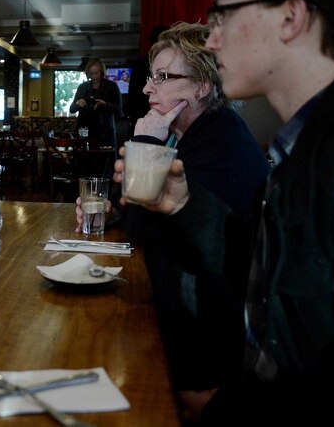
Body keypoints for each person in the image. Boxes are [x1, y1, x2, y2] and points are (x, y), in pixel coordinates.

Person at [114, 0, 334, 423]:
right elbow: (261, 284)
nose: (212, 40)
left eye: (224, 14)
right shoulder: (302, 147)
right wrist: (183, 204)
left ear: (290, 17)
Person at [109, 22, 271, 392]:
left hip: (211, 341)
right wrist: (110, 208)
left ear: (202, 86)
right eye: (152, 77)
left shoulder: (219, 143)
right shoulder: (193, 132)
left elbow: (141, 227)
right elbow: (136, 209)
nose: (149, 87)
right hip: (190, 308)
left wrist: (145, 141)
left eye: (163, 77)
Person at [69, 57, 123, 146]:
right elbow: (72, 109)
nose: (93, 76)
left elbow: (119, 111)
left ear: (101, 72)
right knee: (83, 158)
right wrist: (78, 103)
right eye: (91, 73)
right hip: (84, 131)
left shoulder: (111, 86)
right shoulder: (83, 87)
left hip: (104, 132)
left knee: (104, 158)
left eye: (96, 73)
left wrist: (105, 104)